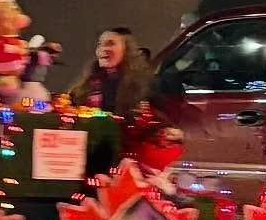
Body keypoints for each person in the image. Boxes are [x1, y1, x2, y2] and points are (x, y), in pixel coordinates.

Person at [68, 26, 182, 170]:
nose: (103, 49)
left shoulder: (146, 85)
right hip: (91, 161)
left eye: (110, 43)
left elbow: (159, 120)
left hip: (130, 163)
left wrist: (164, 131)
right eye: (100, 44)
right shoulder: (86, 86)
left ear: (127, 49)